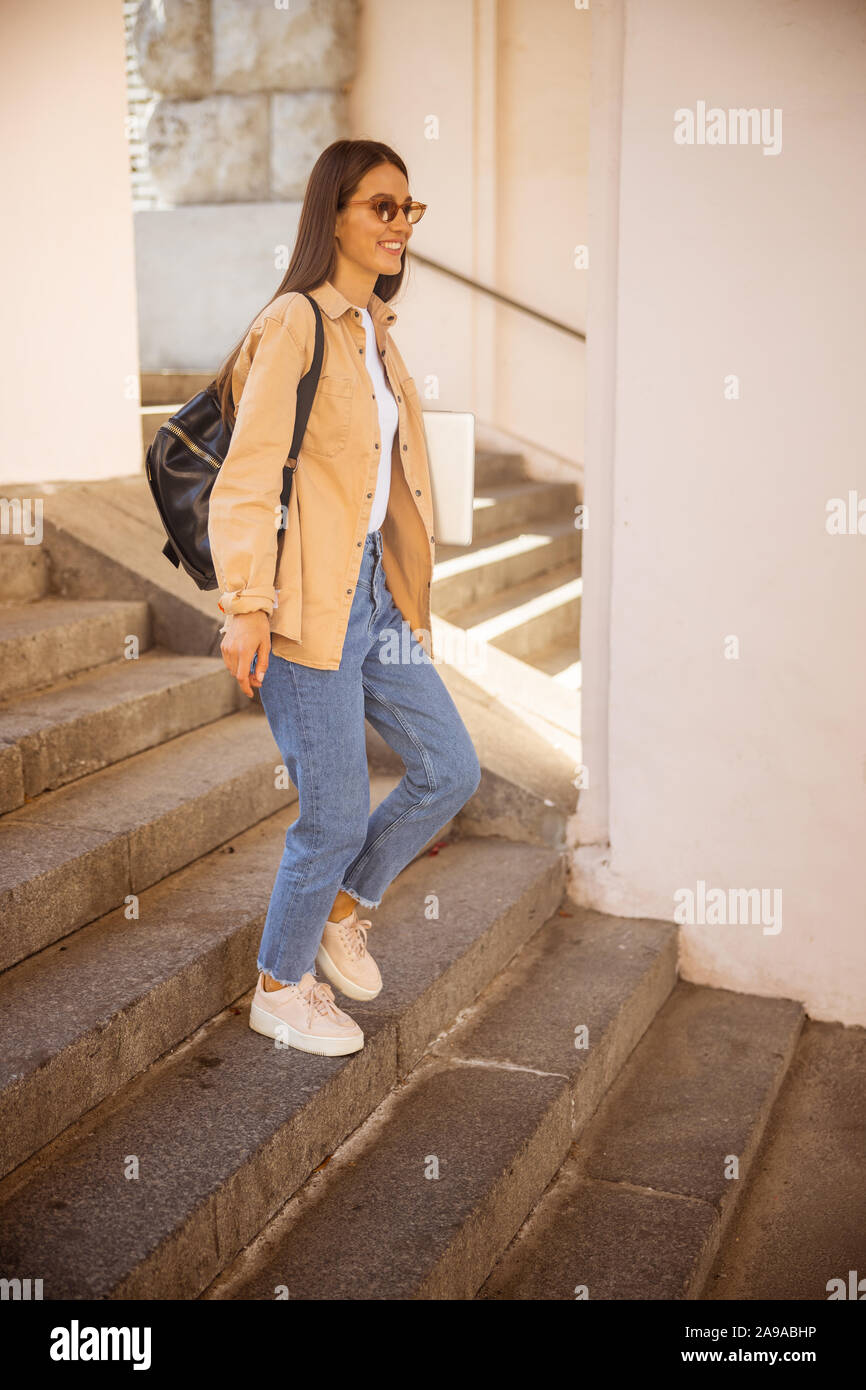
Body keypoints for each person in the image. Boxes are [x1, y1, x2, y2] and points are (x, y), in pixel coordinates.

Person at [208, 139, 481, 1059]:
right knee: (331, 812)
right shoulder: (297, 323)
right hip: (302, 599)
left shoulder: (375, 333)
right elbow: (247, 476)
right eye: (383, 207)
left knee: (450, 767)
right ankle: (280, 987)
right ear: (335, 216)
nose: (402, 224)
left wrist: (406, 587)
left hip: (375, 595)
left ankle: (345, 910)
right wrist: (246, 600)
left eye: (410, 209)